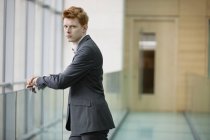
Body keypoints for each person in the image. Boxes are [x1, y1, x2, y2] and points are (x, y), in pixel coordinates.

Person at [26, 6, 115, 140]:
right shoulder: (83, 48)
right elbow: (67, 76)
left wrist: (40, 80)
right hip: (83, 121)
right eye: (65, 26)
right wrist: (42, 81)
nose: (67, 31)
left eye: (72, 26)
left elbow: (62, 81)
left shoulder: (87, 50)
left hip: (91, 121)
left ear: (84, 28)